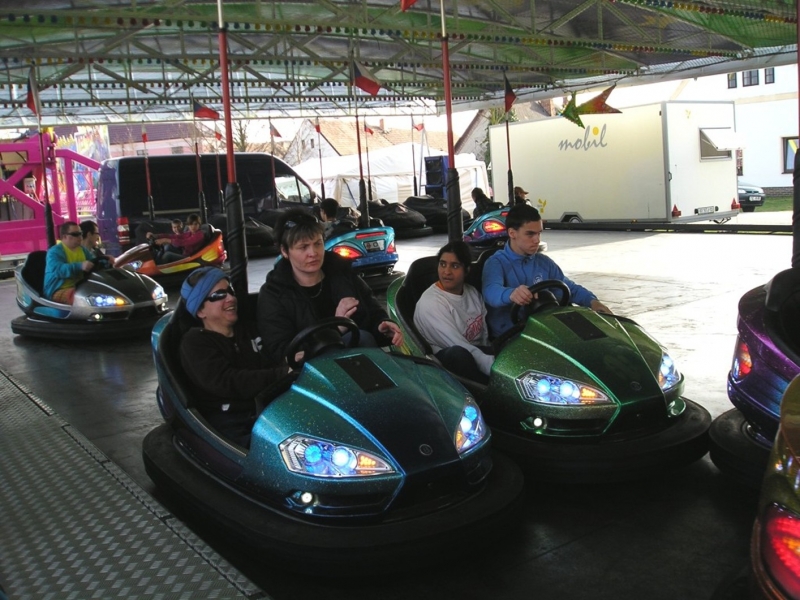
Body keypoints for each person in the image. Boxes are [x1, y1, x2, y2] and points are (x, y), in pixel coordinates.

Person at [257, 209, 403, 364]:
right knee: (363, 338)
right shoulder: (274, 294)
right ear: (285, 251)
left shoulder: (342, 273)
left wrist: (381, 325)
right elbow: (281, 352)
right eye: (303, 247)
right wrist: (336, 328)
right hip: (311, 370)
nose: (313, 253)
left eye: (317, 244)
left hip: (360, 358)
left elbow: (372, 310)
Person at [179, 266, 289, 448]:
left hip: (269, 407)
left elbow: (276, 354)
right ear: (200, 311)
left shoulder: (249, 329)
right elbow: (227, 382)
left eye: (230, 291)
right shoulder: (195, 343)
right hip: (229, 418)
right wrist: (283, 374)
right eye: (218, 295)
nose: (230, 298)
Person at [483, 204, 611, 338]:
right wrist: (512, 294)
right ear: (512, 233)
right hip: (510, 335)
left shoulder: (543, 262)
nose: (537, 240)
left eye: (539, 233)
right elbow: (490, 291)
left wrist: (592, 302)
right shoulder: (496, 262)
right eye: (530, 234)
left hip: (543, 329)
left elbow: (568, 287)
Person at [414, 241, 493, 384]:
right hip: (445, 360)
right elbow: (457, 344)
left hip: (475, 351)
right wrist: (495, 371)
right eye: (442, 264)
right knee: (459, 354)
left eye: (455, 266)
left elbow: (484, 336)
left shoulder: (472, 293)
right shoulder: (431, 303)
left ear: (466, 270)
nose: (446, 272)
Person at [43, 221, 95, 304]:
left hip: (79, 287)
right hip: (58, 289)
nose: (80, 237)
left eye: (80, 233)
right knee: (84, 297)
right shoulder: (55, 252)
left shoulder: (83, 250)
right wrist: (80, 266)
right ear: (64, 236)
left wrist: (106, 260)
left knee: (98, 293)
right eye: (75, 234)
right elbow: (58, 270)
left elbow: (94, 261)